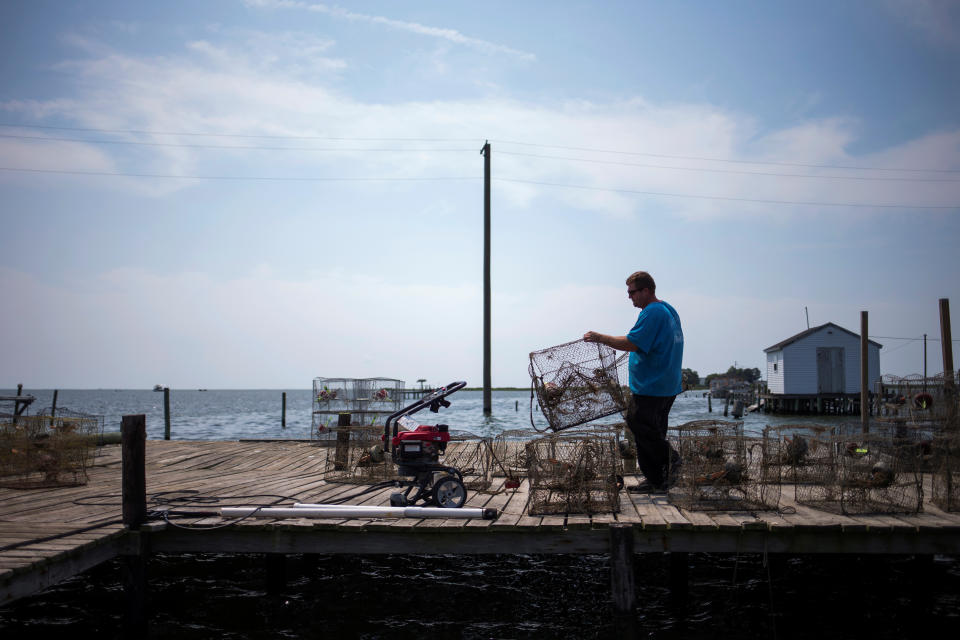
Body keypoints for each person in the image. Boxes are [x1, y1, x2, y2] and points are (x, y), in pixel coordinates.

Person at [584, 271, 683, 492]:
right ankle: (657, 480)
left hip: (653, 385)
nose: (629, 297)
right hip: (667, 383)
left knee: (639, 425)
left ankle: (672, 460)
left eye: (632, 292)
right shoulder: (668, 309)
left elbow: (632, 342)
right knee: (653, 431)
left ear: (646, 290)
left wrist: (600, 338)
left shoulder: (653, 312)